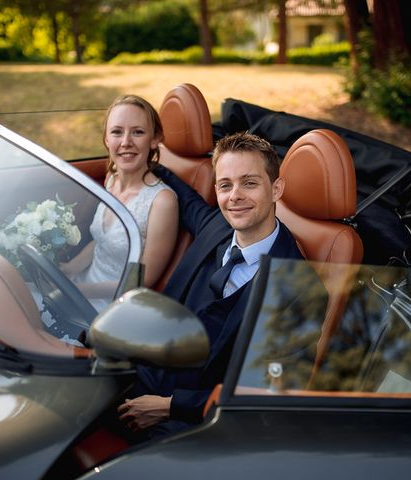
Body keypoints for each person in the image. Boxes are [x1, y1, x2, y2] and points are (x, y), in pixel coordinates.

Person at [117, 131, 303, 438]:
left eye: (250, 182)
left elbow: (269, 393)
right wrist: (146, 160)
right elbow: (186, 198)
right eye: (225, 185)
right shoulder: (216, 223)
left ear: (276, 188)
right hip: (141, 369)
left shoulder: (298, 289)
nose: (235, 196)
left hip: (195, 423)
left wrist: (170, 406)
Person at [61, 95, 178, 312]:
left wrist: (81, 291)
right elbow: (101, 242)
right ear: (106, 139)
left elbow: (142, 281)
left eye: (138, 132)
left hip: (114, 305)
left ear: (154, 139)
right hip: (83, 284)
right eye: (117, 132)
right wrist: (68, 270)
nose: (126, 142)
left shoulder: (162, 201)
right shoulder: (111, 179)